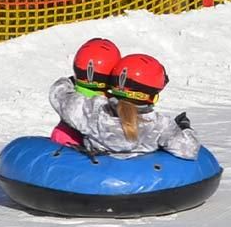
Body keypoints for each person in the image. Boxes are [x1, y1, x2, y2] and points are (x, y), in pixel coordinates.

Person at [48, 51, 201, 159]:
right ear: (152, 96)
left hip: (94, 172)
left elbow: (59, 96)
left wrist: (69, 82)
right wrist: (185, 128)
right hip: (143, 179)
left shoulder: (95, 111)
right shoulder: (159, 124)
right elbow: (189, 149)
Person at [51, 38, 123, 148]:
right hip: (96, 147)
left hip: (64, 139)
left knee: (61, 133)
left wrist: (71, 80)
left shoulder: (69, 93)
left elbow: (59, 90)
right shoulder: (113, 101)